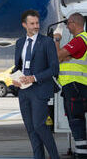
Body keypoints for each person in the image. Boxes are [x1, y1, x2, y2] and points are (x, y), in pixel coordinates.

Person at [12, 10, 59, 159]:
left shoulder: (47, 42)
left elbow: (54, 69)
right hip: (23, 92)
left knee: (39, 125)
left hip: (39, 90)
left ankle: (54, 156)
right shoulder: (20, 43)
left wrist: (34, 78)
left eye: (37, 23)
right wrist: (14, 79)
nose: (36, 26)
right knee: (31, 129)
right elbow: (17, 66)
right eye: (32, 23)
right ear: (24, 25)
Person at [55, 13, 87, 158]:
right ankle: (81, 152)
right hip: (78, 86)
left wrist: (56, 39)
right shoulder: (80, 41)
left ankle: (81, 154)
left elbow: (57, 57)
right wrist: (63, 56)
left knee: (76, 121)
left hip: (75, 86)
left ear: (74, 23)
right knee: (77, 121)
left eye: (68, 24)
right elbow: (62, 57)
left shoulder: (79, 41)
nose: (67, 27)